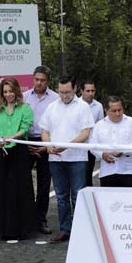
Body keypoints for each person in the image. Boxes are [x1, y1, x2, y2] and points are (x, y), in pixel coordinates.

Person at [40, 76, 95, 242]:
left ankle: (80, 229)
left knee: (77, 195)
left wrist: (67, 145)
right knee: (61, 196)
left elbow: (86, 133)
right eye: (61, 92)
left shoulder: (83, 107)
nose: (64, 95)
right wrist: (48, 145)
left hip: (77, 158)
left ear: (75, 89)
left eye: (68, 92)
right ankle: (65, 229)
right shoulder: (51, 107)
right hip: (56, 159)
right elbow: (45, 131)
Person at [0, 77, 36, 240]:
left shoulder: (25, 109)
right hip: (0, 151)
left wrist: (12, 137)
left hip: (18, 151)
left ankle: (21, 227)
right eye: (5, 92)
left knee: (19, 187)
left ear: (16, 91)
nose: (8, 95)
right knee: (0, 187)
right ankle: (1, 227)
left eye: (11, 91)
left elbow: (25, 127)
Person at [23, 66, 58, 234]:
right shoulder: (23, 97)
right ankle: (25, 218)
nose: (39, 83)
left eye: (42, 80)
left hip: (47, 142)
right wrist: (25, 142)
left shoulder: (55, 99)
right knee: (23, 182)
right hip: (26, 141)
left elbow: (57, 125)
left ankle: (40, 219)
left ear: (48, 81)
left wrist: (46, 146)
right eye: (36, 79)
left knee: (44, 184)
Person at [89, 96, 132, 187]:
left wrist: (123, 151)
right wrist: (102, 154)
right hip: (107, 171)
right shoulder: (99, 125)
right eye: (114, 111)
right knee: (108, 201)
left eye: (120, 110)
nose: (118, 113)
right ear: (106, 110)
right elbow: (93, 146)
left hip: (129, 171)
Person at [79, 79, 105, 187]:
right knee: (78, 175)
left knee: (88, 174)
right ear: (81, 91)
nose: (90, 93)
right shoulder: (76, 104)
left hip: (91, 146)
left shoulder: (98, 106)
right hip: (78, 146)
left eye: (92, 91)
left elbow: (100, 126)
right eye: (87, 91)